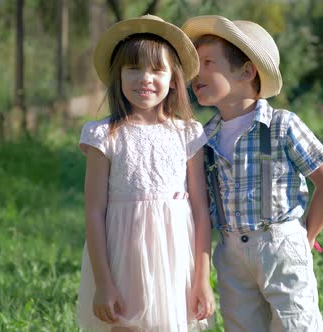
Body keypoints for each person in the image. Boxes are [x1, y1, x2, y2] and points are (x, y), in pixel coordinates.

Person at [182, 15, 323, 331]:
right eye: (194, 66)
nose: (195, 74)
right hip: (230, 253)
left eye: (208, 63)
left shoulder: (282, 125)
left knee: (295, 323)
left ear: (246, 70)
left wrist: (305, 236)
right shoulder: (204, 138)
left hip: (280, 244)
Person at [76, 15, 215, 331]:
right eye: (133, 68)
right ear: (118, 76)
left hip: (175, 262)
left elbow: (200, 210)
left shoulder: (188, 134)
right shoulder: (104, 135)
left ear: (174, 78)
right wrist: (104, 283)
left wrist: (202, 280)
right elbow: (94, 211)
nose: (145, 78)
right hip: (123, 259)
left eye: (157, 70)